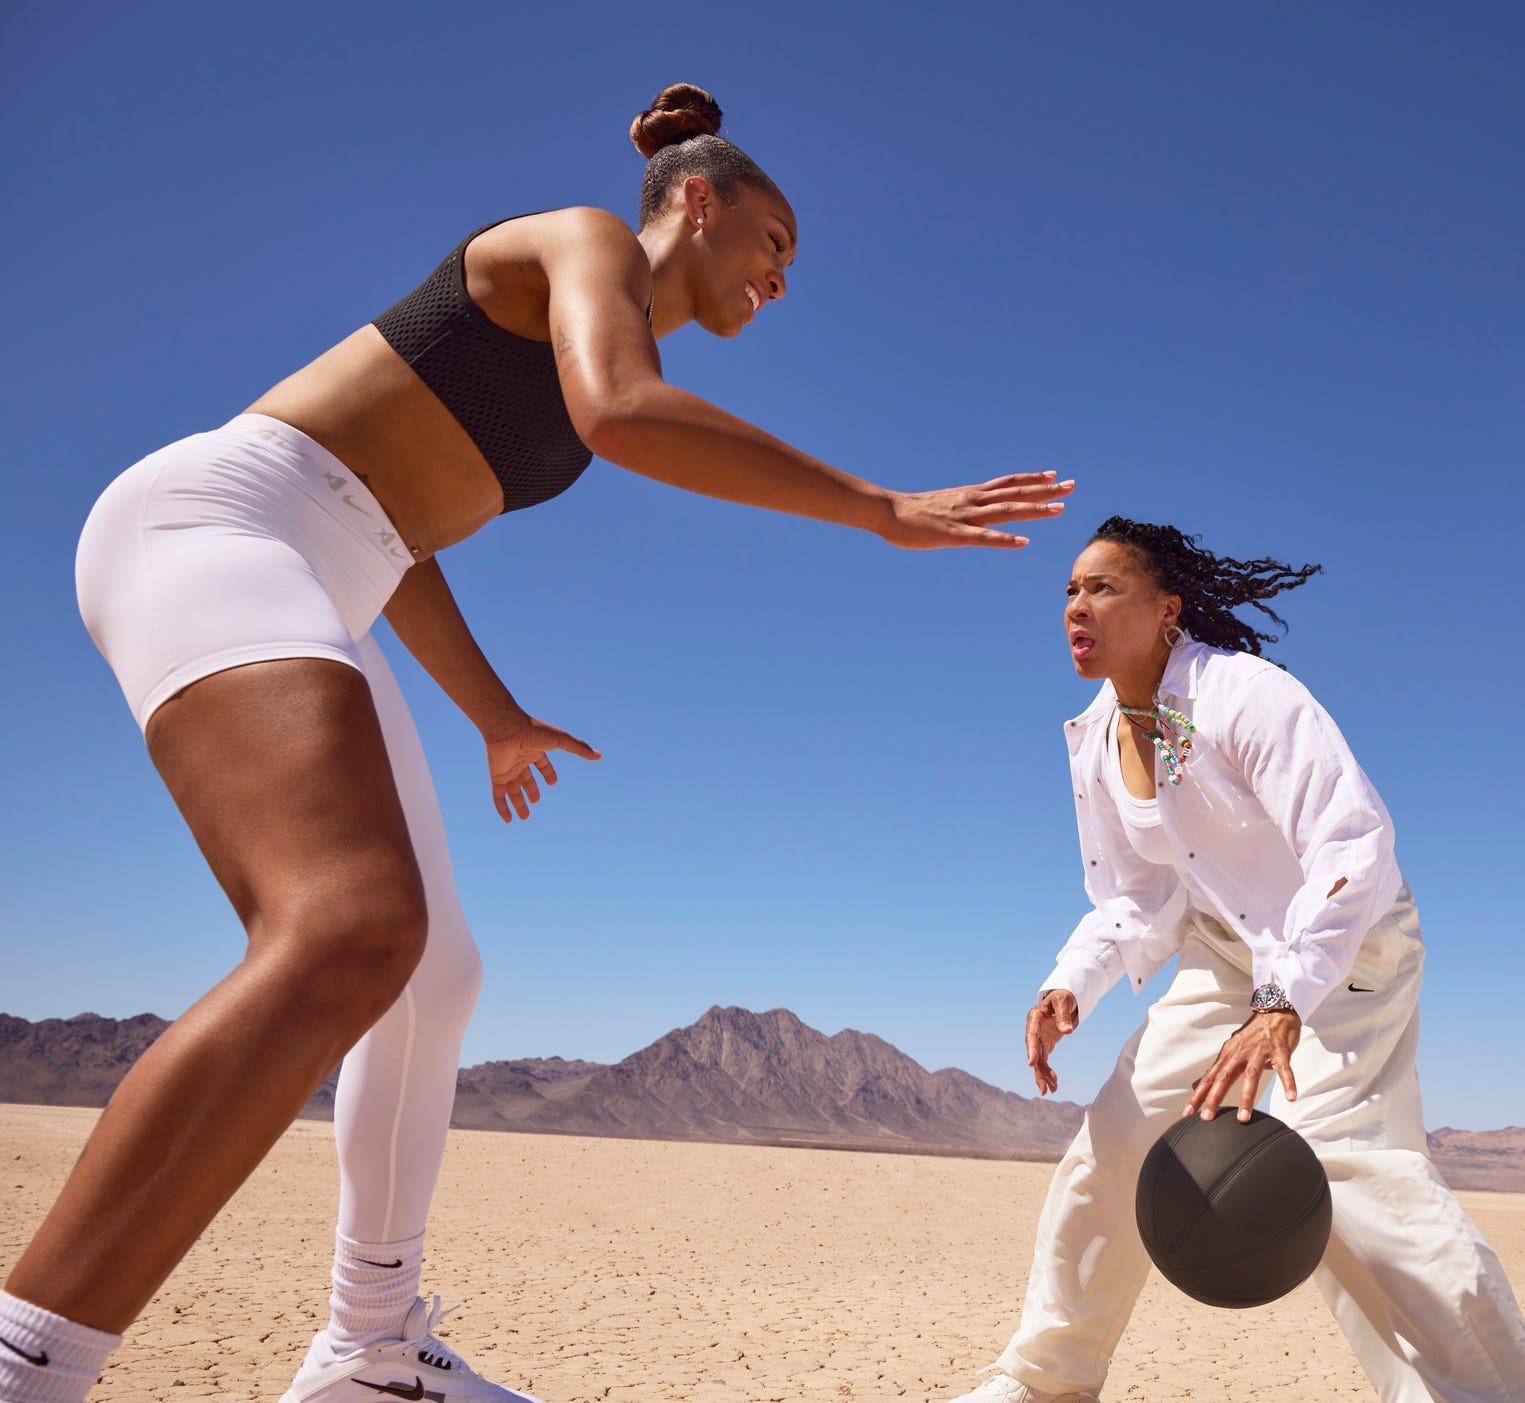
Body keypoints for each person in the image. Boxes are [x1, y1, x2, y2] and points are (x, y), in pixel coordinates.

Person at [0, 82, 1072, 1403]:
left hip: (329, 562)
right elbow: (615, 413)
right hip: (218, 527)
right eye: (775, 240)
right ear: (698, 197)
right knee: (348, 926)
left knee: (433, 970)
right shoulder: (584, 244)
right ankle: (29, 1357)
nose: (783, 275)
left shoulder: (603, 333)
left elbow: (393, 542)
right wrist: (878, 507)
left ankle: (370, 1342)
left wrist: (494, 713)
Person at [950, 518, 1525, 1403]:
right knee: (1119, 1137)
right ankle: (1046, 1380)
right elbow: (1137, 896)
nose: (1077, 606)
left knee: (1350, 1172)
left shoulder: (1242, 694)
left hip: (1343, 946)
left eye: (1103, 588)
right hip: (1229, 951)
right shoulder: (1094, 735)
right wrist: (1068, 983)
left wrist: (1285, 1001)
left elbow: (1354, 838)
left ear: (1167, 610)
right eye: (1069, 591)